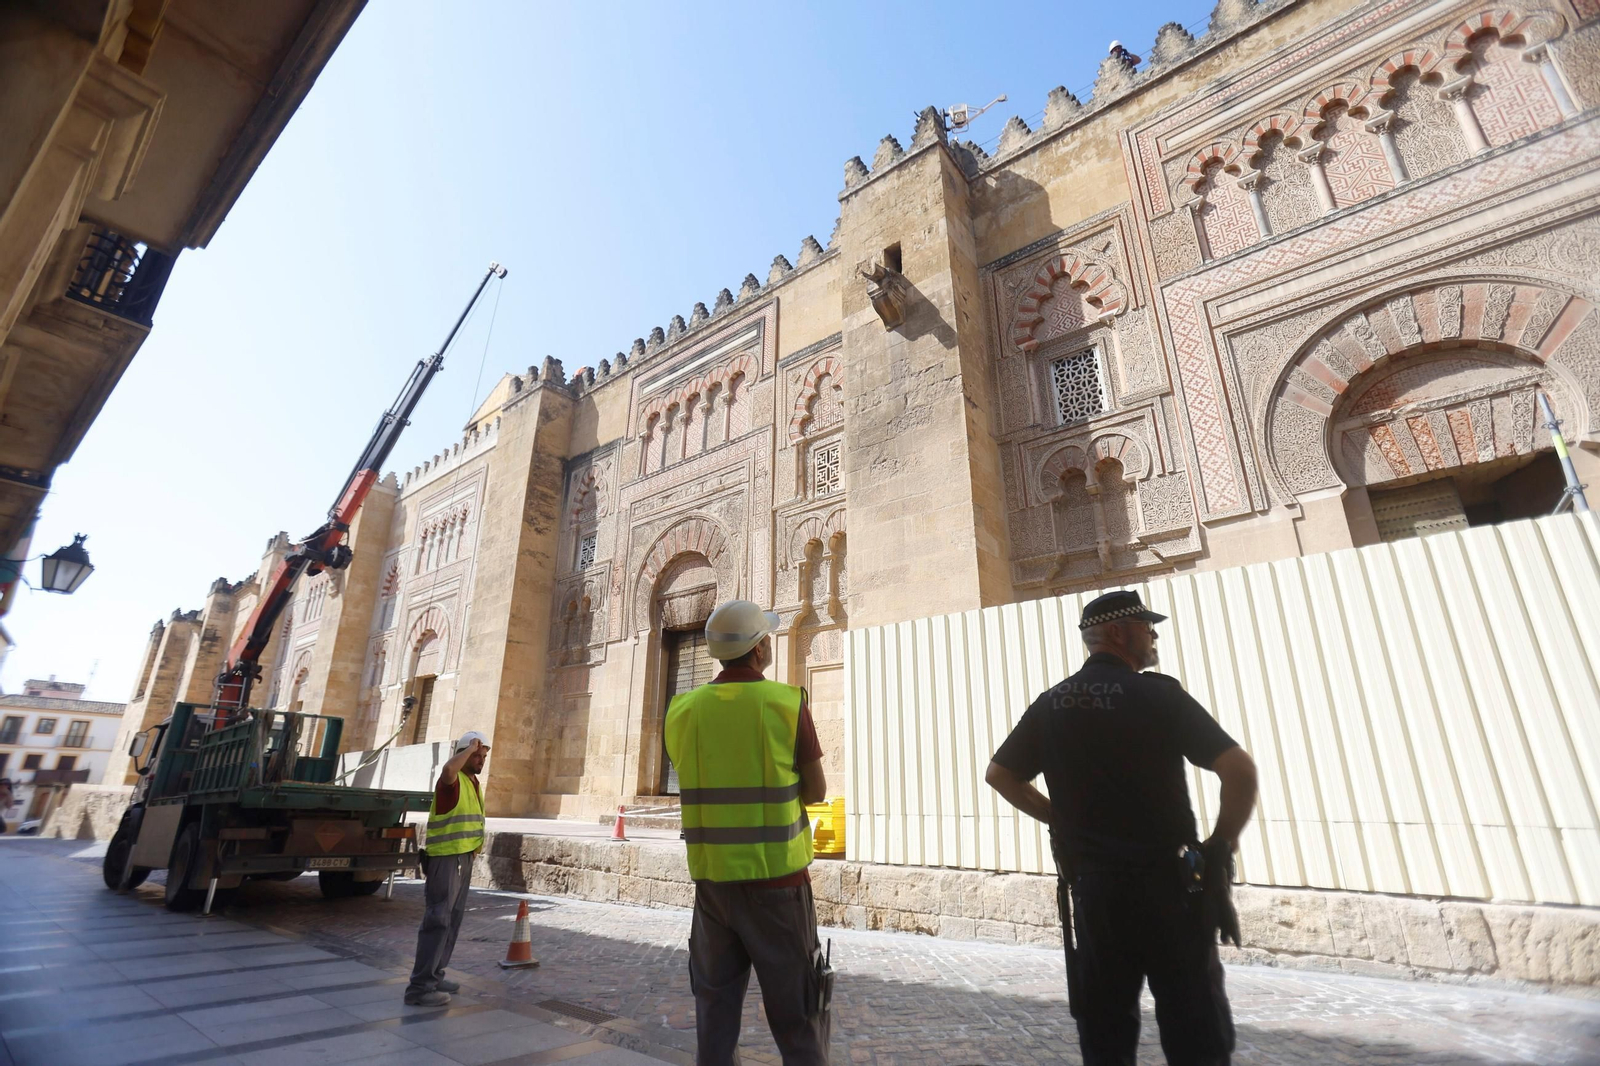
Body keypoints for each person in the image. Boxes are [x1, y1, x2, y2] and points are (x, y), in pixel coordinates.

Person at [985, 590, 1258, 1066]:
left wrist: (1061, 818)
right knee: (1195, 1026)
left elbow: (1000, 775)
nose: (1153, 635)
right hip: (1171, 890)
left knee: (1105, 1030)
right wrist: (1220, 845)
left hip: (1098, 893)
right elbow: (1238, 768)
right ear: (1116, 632)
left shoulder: (1052, 704)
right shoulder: (1158, 694)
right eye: (1145, 625)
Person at [665, 599, 831, 1066]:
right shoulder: (785, 703)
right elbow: (816, 792)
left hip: (713, 889)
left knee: (714, 1015)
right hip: (778, 886)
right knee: (797, 1018)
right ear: (759, 650)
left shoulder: (682, 710)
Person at [406, 730, 495, 1006]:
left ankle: (435, 975)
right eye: (475, 755)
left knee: (452, 921)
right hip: (446, 858)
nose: (480, 760)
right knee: (438, 919)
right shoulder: (451, 781)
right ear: (463, 754)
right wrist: (466, 751)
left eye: (483, 756)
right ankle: (420, 987)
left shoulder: (471, 783)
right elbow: (447, 769)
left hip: (463, 858)